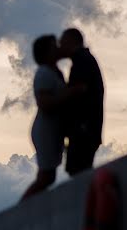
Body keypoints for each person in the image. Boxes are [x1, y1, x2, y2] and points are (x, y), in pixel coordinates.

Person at [21, 35, 67, 201]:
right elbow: (44, 103)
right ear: (47, 52)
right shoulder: (44, 73)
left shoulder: (54, 72)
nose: (58, 48)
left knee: (49, 176)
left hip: (51, 129)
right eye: (54, 46)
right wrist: (70, 94)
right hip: (46, 130)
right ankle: (21, 210)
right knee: (46, 177)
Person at [58, 28, 104, 176]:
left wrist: (55, 97)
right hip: (86, 129)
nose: (60, 45)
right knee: (79, 171)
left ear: (71, 41)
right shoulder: (84, 59)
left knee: (78, 172)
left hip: (84, 129)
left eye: (63, 41)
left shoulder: (82, 59)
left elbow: (79, 89)